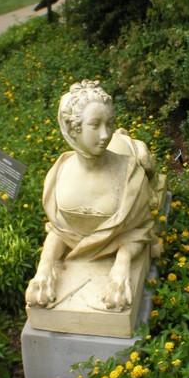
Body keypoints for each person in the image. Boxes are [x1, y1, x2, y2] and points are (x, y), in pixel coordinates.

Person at [25, 80, 156, 312]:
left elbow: (140, 229)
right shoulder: (59, 173)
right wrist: (44, 267)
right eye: (95, 125)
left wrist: (122, 264)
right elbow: (60, 230)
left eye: (109, 124)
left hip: (127, 151)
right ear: (72, 128)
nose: (105, 135)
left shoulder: (130, 173)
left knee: (146, 161)